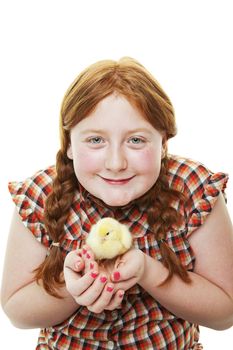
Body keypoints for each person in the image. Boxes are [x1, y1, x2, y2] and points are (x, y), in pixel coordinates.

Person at [1, 57, 233, 350]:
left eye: (136, 140)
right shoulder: (42, 195)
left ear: (163, 142)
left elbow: (225, 312)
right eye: (96, 140)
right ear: (69, 144)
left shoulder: (192, 190)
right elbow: (16, 311)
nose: (115, 163)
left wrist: (148, 271)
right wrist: (70, 289)